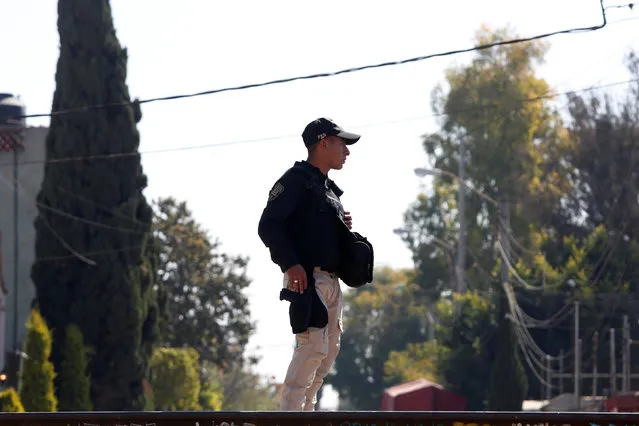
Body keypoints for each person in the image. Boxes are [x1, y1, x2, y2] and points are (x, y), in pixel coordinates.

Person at [257, 117, 361, 411]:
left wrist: (340, 224)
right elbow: (269, 225)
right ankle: (289, 416)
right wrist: (290, 265)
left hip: (331, 280)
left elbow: (314, 228)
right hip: (307, 279)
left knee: (327, 354)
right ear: (323, 143)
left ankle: (307, 414)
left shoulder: (327, 188)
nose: (347, 151)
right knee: (312, 349)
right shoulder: (295, 180)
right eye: (342, 144)